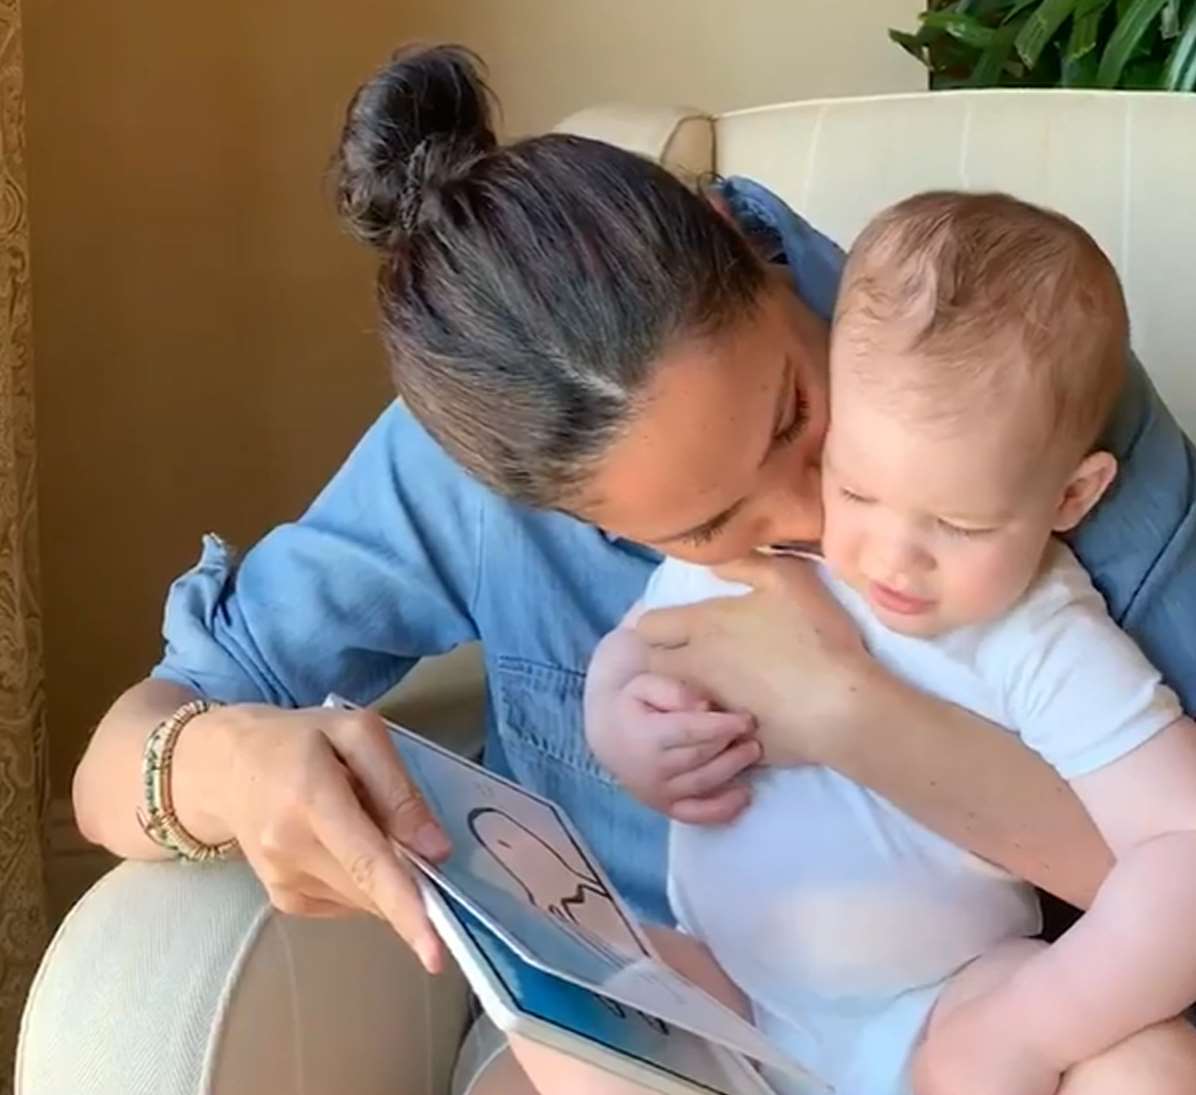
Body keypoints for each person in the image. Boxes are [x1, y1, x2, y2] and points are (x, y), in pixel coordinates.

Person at [63, 45, 1196, 1093]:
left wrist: (845, 709)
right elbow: (118, 764)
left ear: (735, 237)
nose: (817, 513)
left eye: (794, 416)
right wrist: (232, 768)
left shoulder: (1004, 386)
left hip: (970, 1013)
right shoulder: (473, 464)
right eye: (705, 529)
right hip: (687, 1013)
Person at [579, 192, 1196, 1095]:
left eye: (957, 522)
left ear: (1071, 497)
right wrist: (624, 727)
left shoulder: (1035, 630)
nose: (889, 557)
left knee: (1153, 1067)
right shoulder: (762, 552)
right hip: (735, 994)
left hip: (940, 1018)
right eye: (856, 489)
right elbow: (634, 651)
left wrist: (1031, 1026)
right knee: (572, 1028)